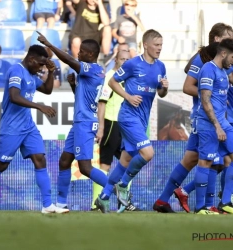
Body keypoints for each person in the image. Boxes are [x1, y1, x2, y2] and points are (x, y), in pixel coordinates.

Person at [0, 45, 69, 214]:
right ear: (31, 60)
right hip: (12, 127)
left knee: (40, 159)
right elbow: (15, 97)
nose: (41, 68)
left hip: (28, 126)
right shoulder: (16, 70)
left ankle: (47, 205)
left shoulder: (31, 73)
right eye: (40, 64)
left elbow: (47, 90)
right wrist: (39, 107)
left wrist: (51, 72)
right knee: (2, 164)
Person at [153, 22, 233, 213]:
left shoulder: (223, 62)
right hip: (205, 118)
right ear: (217, 40)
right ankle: (211, 204)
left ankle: (169, 199)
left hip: (218, 118)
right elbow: (188, 86)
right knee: (210, 161)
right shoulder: (203, 60)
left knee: (197, 160)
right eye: (228, 37)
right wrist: (211, 96)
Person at [95, 29, 169, 213]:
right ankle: (123, 185)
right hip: (128, 116)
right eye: (156, 45)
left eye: (161, 45)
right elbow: (112, 81)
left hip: (142, 119)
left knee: (125, 160)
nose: (160, 48)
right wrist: (128, 96)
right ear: (146, 45)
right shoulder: (133, 64)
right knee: (148, 153)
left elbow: (160, 93)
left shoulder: (161, 67)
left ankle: (103, 197)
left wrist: (164, 88)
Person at [37, 32, 108, 209]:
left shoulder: (93, 69)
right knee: (64, 161)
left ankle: (116, 187)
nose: (78, 53)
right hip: (79, 122)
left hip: (84, 123)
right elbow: (83, 98)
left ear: (90, 55)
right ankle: (61, 204)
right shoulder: (91, 72)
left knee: (84, 167)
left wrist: (50, 45)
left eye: (82, 51)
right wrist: (73, 86)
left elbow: (69, 61)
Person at [91, 49, 142, 212]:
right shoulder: (109, 78)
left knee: (129, 164)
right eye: (122, 59)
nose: (125, 62)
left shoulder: (128, 77)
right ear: (115, 61)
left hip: (125, 126)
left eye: (128, 60)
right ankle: (96, 203)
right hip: (111, 124)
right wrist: (101, 127)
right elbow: (102, 103)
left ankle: (124, 202)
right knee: (104, 165)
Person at [193, 38, 233, 214]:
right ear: (223, 53)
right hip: (209, 124)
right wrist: (217, 126)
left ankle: (225, 202)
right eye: (232, 57)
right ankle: (200, 207)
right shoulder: (208, 69)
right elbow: (205, 99)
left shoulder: (224, 71)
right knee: (206, 161)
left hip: (223, 123)